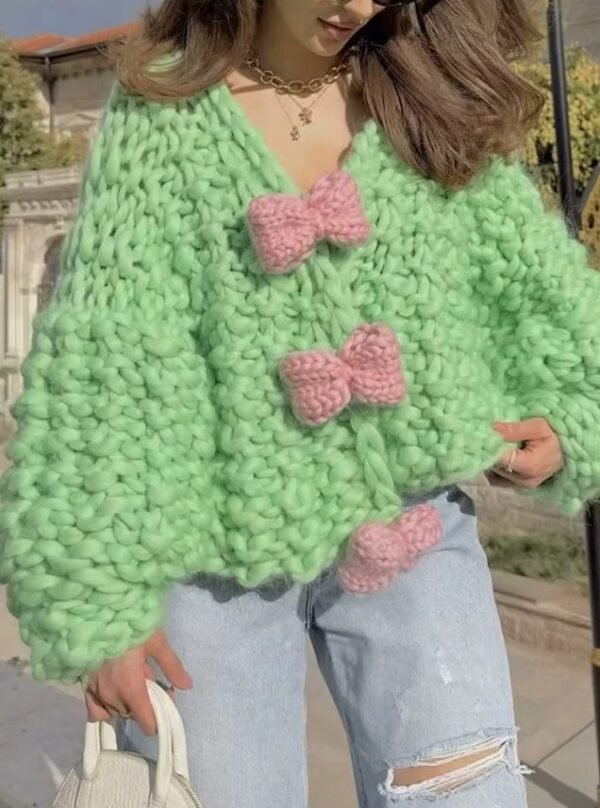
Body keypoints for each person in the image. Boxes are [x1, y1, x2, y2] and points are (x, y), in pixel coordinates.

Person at [1, 0, 599, 805]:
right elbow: (111, 356)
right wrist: (101, 604)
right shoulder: (166, 114)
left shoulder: (426, 104)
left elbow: (537, 285)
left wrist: (572, 412)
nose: (358, 4)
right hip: (211, 560)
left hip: (413, 536)